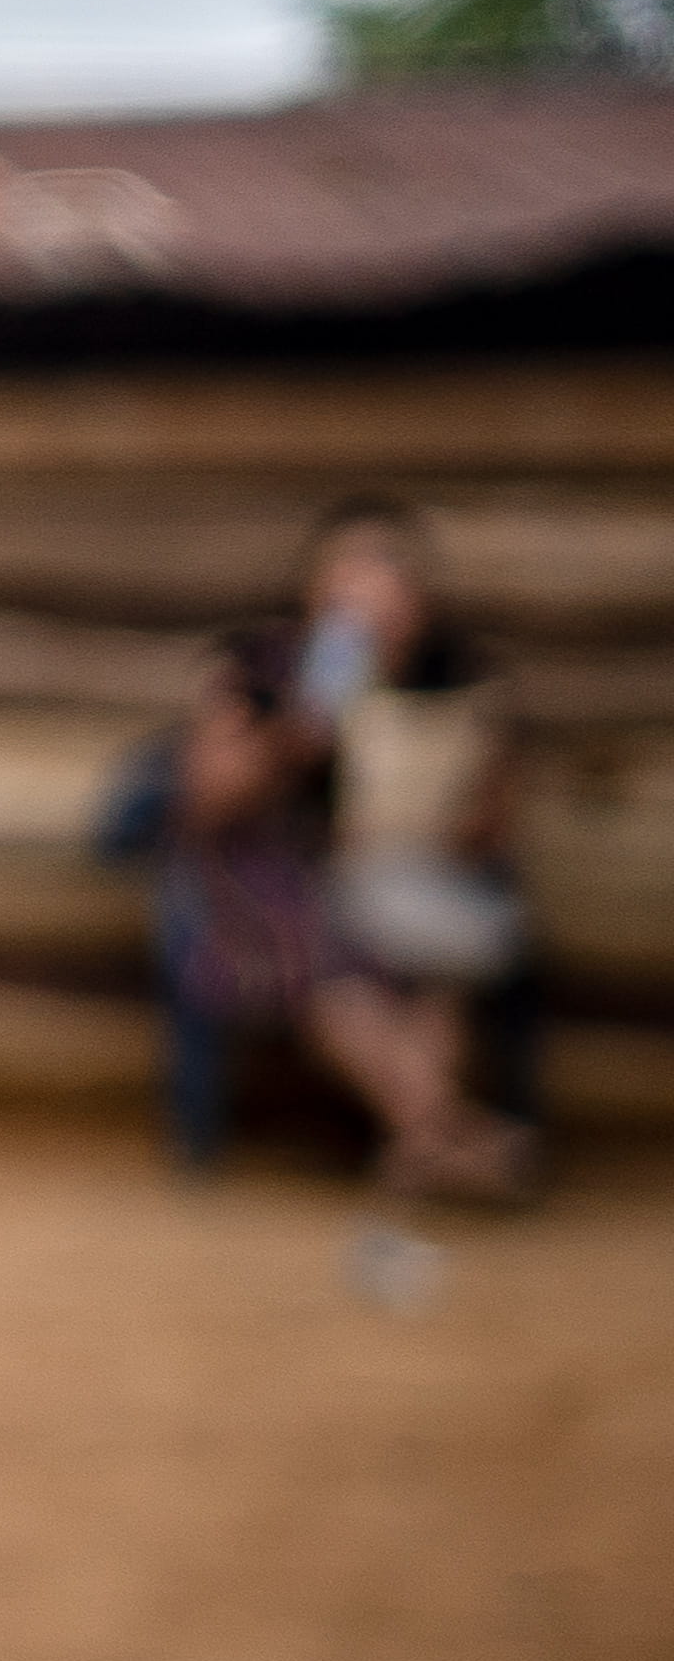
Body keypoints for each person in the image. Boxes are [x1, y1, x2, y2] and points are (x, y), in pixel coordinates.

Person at [164, 493, 540, 1202]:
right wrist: (293, 743)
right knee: (318, 947)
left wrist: (452, 797)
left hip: (394, 878)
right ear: (315, 587)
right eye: (351, 572)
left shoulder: (454, 680)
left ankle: (423, 1144)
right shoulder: (263, 672)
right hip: (266, 877)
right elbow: (202, 803)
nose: (370, 593)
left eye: (389, 573)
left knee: (438, 950)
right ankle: (446, 1132)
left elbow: (495, 830)